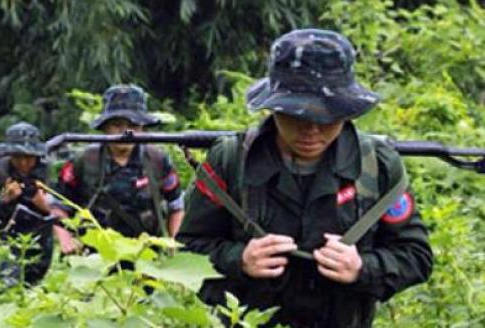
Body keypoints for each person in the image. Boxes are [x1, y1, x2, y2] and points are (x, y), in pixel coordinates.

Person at [177, 29, 433, 327]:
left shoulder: (376, 165)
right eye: (296, 115)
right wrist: (239, 259)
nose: (311, 129)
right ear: (273, 107)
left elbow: (416, 256)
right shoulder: (232, 161)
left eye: (327, 116)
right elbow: (187, 248)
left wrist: (362, 268)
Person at [50, 85, 185, 255]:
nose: (125, 132)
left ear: (142, 128)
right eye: (117, 125)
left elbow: (177, 205)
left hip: (147, 257)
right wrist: (66, 240)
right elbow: (57, 205)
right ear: (105, 127)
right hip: (95, 257)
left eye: (133, 125)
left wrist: (173, 243)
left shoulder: (157, 160)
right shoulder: (84, 161)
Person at [0, 122, 55, 286]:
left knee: (35, 284)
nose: (23, 163)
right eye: (18, 157)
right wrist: (4, 199)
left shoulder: (46, 172)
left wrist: (45, 205)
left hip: (39, 239)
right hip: (5, 237)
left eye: (28, 157)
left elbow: (65, 208)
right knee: (8, 285)